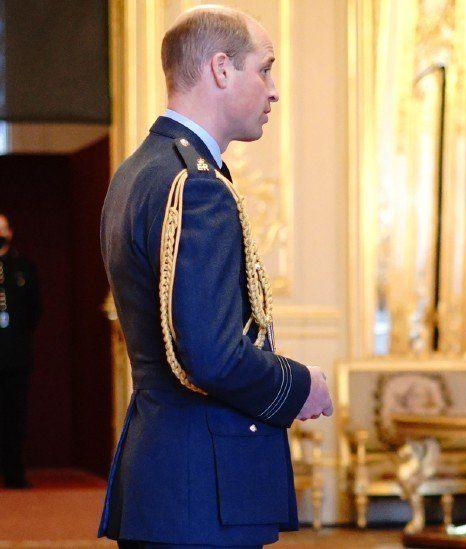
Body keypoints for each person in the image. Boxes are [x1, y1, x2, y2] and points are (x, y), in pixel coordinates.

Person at [98, 6, 333, 547]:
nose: (274, 90)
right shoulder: (195, 185)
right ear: (221, 69)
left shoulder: (136, 172)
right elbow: (209, 355)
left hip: (166, 476)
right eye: (265, 69)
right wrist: (299, 385)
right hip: (202, 491)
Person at [0, 213, 41, 489]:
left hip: (15, 353)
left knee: (14, 416)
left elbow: (34, 310)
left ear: (10, 232)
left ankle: (14, 473)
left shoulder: (24, 267)